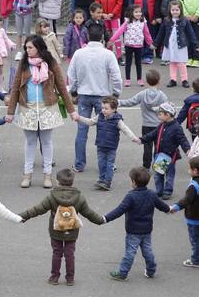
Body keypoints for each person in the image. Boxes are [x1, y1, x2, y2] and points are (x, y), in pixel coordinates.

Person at [5, 35, 75, 190]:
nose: (27, 50)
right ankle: (27, 174)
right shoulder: (23, 65)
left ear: (39, 47)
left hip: (47, 108)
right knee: (30, 142)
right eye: (26, 48)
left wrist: (72, 111)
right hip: (27, 108)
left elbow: (62, 88)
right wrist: (10, 112)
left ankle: (47, 175)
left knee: (47, 142)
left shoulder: (51, 64)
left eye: (30, 47)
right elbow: (15, 88)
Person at [19, 168, 105, 286]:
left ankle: (54, 277)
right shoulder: (79, 197)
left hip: (56, 229)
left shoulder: (52, 196)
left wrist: (22, 216)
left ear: (57, 181)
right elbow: (89, 213)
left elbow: (38, 209)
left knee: (57, 252)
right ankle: (70, 278)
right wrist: (101, 220)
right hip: (72, 230)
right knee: (70, 254)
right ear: (72, 182)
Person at [68, 22, 123, 175]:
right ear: (102, 37)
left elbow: (71, 75)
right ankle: (109, 163)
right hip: (103, 96)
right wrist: (116, 93)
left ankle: (79, 164)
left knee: (82, 130)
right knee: (108, 130)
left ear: (87, 35)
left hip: (84, 94)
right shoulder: (108, 54)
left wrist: (73, 91)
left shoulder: (79, 53)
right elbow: (116, 76)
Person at [104, 167, 170, 280]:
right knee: (148, 251)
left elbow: (120, 210)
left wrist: (106, 218)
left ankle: (123, 273)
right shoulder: (151, 194)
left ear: (134, 182)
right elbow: (162, 206)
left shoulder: (131, 196)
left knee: (130, 253)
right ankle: (151, 270)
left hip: (133, 230)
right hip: (147, 230)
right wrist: (169, 209)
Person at [75, 96, 140, 192]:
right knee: (101, 163)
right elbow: (90, 122)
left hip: (111, 146)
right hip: (100, 145)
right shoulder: (100, 116)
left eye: (106, 108)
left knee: (109, 164)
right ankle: (102, 180)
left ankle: (107, 181)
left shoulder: (118, 120)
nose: (103, 110)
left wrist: (134, 138)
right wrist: (79, 118)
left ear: (114, 109)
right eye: (102, 108)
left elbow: (126, 130)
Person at [167, 157, 199, 267]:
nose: (188, 170)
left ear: (195, 171)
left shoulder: (193, 186)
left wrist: (175, 207)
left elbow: (186, 200)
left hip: (194, 216)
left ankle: (196, 260)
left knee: (195, 240)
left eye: (189, 169)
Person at [119, 68, 166, 168]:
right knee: (160, 146)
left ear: (146, 81)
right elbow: (166, 109)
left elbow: (130, 102)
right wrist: (157, 109)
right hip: (159, 125)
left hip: (146, 125)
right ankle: (160, 167)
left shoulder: (142, 94)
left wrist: (118, 102)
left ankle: (146, 167)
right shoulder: (162, 95)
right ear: (158, 81)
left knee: (147, 147)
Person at [111, 5, 154, 85]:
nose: (138, 14)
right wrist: (112, 40)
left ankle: (139, 79)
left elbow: (146, 33)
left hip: (139, 45)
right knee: (128, 63)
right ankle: (127, 79)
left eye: (140, 12)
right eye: (136, 12)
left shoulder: (143, 22)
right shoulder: (127, 22)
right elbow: (119, 31)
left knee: (138, 63)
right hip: (128, 45)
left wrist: (150, 43)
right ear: (131, 13)